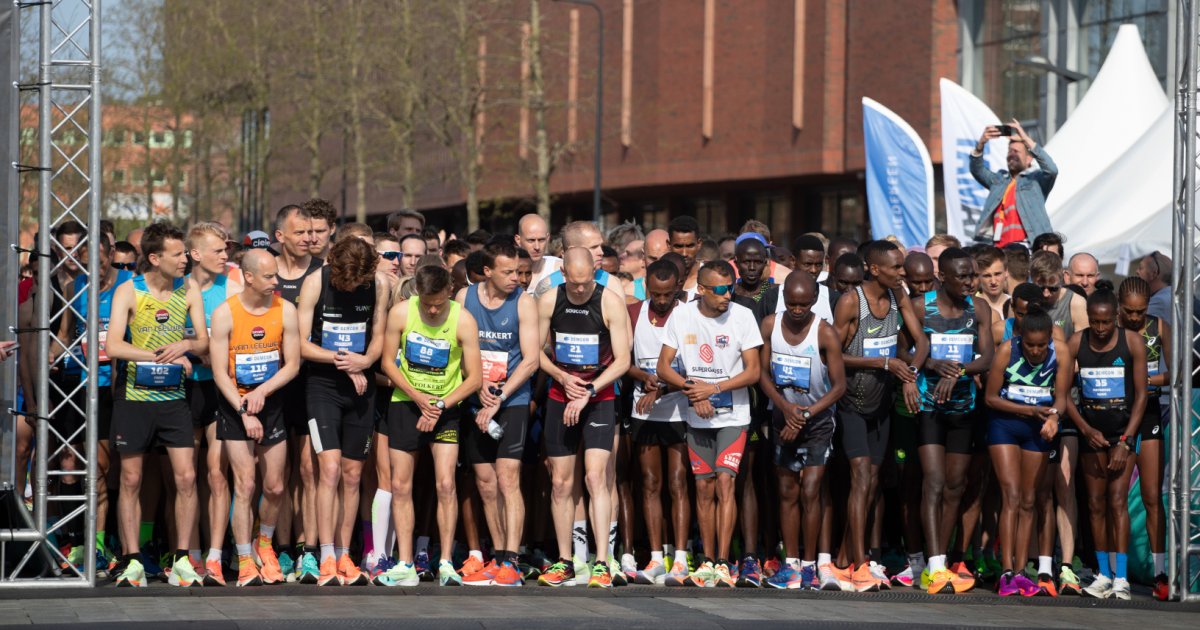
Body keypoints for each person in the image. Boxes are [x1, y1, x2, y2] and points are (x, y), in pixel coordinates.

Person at [105, 222, 210, 588]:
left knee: (187, 477)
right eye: (177, 254)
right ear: (154, 258)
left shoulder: (189, 288)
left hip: (173, 398)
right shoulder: (129, 291)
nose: (185, 260)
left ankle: (182, 558)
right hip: (134, 397)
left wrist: (186, 346)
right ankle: (133, 559)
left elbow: (203, 341)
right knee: (131, 478)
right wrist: (160, 356)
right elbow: (113, 346)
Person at [374, 265, 483, 587]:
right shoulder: (400, 313)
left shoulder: (463, 320)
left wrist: (438, 405)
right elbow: (386, 363)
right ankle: (405, 562)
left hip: (446, 407)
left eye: (438, 303)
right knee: (400, 485)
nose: (432, 310)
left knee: (446, 484)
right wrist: (417, 397)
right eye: (426, 303)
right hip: (407, 403)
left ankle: (446, 561)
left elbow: (474, 378)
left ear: (449, 291)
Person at [657, 260, 763, 588]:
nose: (727, 295)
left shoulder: (743, 316)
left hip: (734, 415)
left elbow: (753, 372)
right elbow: (663, 367)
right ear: (701, 289)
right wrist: (693, 391)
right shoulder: (682, 315)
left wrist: (713, 389)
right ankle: (706, 559)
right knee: (703, 487)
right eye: (719, 290)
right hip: (698, 415)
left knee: (725, 482)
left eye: (730, 288)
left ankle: (723, 562)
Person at [832, 240, 928, 592]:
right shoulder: (851, 301)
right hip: (852, 403)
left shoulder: (898, 295)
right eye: (896, 267)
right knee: (861, 477)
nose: (903, 273)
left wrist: (909, 375)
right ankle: (860, 565)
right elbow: (833, 356)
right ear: (874, 269)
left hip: (881, 404)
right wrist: (883, 363)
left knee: (871, 482)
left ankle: (843, 560)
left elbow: (921, 342)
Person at [296, 236, 390, 586]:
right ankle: (324, 554)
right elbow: (300, 344)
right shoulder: (314, 283)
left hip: (361, 387)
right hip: (323, 386)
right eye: (346, 282)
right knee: (330, 469)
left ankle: (344, 553)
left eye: (357, 282)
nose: (351, 287)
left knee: (353, 475)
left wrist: (364, 362)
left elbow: (378, 337)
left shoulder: (378, 284)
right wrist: (345, 363)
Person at [535, 248, 631, 589]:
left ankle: (602, 561)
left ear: (595, 272)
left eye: (585, 283)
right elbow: (534, 352)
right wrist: (562, 378)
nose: (579, 289)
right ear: (563, 274)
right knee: (561, 482)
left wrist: (590, 389)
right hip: (561, 395)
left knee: (595, 478)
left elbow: (623, 360)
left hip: (599, 397)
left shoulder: (610, 301)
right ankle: (565, 561)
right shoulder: (550, 299)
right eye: (573, 283)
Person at [208, 249, 301, 587]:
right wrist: (244, 408)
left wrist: (263, 392)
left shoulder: (285, 309)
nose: (276, 281)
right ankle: (245, 558)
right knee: (245, 484)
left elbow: (292, 364)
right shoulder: (225, 314)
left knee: (275, 486)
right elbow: (219, 373)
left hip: (270, 402)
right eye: (269, 276)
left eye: (276, 274)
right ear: (248, 277)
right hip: (235, 404)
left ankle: (265, 544)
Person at [456, 242, 540, 587]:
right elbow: (457, 348)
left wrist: (500, 396)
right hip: (476, 396)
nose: (515, 278)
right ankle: (497, 556)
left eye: (518, 271)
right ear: (487, 271)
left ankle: (512, 560)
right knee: (486, 482)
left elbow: (531, 360)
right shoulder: (464, 297)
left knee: (508, 478)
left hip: (512, 399)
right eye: (507, 272)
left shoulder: (524, 302)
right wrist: (477, 386)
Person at [912, 248, 994, 595]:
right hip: (929, 405)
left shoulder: (979, 308)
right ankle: (932, 566)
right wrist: (932, 364)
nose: (970, 282)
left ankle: (941, 562)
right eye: (962, 276)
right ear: (942, 277)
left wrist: (959, 370)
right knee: (933, 481)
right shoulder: (921, 307)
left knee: (956, 485)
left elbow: (987, 357)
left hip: (963, 407)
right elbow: (902, 350)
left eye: (972, 275)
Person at [759, 271, 846, 590]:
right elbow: (761, 374)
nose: (797, 310)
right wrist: (785, 408)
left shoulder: (825, 333)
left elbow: (839, 386)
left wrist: (806, 413)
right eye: (791, 304)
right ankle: (791, 564)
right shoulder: (770, 325)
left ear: (814, 300)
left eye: (803, 304)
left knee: (811, 490)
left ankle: (810, 566)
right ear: (783, 299)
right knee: (787, 492)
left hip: (817, 421)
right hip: (783, 418)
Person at [55, 236, 133, 574]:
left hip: (114, 384)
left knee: (104, 465)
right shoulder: (75, 287)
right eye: (87, 263)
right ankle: (80, 543)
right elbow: (64, 333)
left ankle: (102, 542)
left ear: (110, 254)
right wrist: (46, 357)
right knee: (75, 463)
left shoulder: (129, 283)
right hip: (79, 385)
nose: (94, 269)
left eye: (99, 261)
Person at [985, 306, 1071, 597]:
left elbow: (1062, 398)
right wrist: (1029, 411)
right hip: (1005, 425)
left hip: (1039, 427)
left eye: (1041, 345)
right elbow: (990, 398)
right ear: (1021, 338)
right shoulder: (1007, 351)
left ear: (1049, 339)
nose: (1035, 351)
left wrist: (1054, 417)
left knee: (1029, 498)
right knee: (1010, 495)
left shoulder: (1060, 352)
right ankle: (1006, 570)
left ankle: (1022, 571)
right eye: (1030, 345)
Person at [1068, 289, 1146, 601]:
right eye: (1095, 322)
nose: (1100, 328)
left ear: (1116, 317)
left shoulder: (1133, 342)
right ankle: (1102, 574)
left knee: (1117, 502)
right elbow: (1063, 395)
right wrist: (1085, 429)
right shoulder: (1077, 342)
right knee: (1095, 503)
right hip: (1092, 435)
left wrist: (1126, 441)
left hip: (1122, 435)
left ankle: (1122, 577)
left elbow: (1141, 395)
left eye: (1106, 322)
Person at [625, 260, 691, 586]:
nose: (662, 300)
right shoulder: (634, 313)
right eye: (656, 294)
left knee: (677, 484)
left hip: (678, 410)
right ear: (647, 288)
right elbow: (623, 361)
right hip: (644, 410)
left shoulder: (688, 315)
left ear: (678, 288)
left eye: (667, 294)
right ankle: (654, 557)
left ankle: (680, 558)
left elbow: (696, 369)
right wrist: (643, 377)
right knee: (650, 483)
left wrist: (663, 387)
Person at [184, 222, 243, 585]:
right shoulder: (177, 289)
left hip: (220, 388)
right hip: (183, 389)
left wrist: (217, 352)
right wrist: (193, 348)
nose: (225, 256)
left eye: (226, 250)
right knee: (186, 477)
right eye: (218, 250)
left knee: (217, 474)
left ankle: (216, 555)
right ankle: (188, 554)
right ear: (195, 254)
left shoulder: (232, 288)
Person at [271, 203, 323, 581]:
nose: (308, 238)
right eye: (300, 232)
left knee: (308, 469)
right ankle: (281, 548)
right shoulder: (263, 271)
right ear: (280, 236)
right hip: (271, 383)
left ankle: (308, 549)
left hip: (310, 383)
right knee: (278, 473)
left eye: (312, 232)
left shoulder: (322, 272)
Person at [1116, 276, 1171, 600]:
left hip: (1149, 412)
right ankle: (1116, 572)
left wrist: (1146, 379)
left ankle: (1159, 572)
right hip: (1117, 415)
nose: (1135, 317)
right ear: (1120, 307)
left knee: (1152, 496)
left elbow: (1177, 372)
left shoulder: (1159, 326)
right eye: (1130, 312)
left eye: (1141, 311)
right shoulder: (1110, 326)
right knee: (1116, 496)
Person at [970, 120, 1058, 246]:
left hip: (1028, 247)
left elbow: (1052, 170)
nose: (1012, 154)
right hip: (1000, 249)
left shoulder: (1036, 180)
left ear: (1029, 159)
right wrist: (981, 144)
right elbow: (977, 170)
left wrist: (1025, 138)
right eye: (1010, 151)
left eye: (1017, 151)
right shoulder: (999, 181)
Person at [516, 214, 561, 289]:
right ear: (518, 240)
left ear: (548, 238)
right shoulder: (507, 271)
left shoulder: (558, 270)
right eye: (531, 240)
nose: (537, 247)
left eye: (541, 240)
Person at [1136, 251, 1173, 326]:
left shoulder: (1159, 301)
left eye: (1141, 268)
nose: (1137, 271)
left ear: (1153, 274)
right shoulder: (1171, 293)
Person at [667, 216, 702, 295]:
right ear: (669, 245)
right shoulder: (658, 276)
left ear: (699, 244)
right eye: (678, 246)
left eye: (690, 246)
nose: (684, 253)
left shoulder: (710, 277)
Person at [974, 246, 1010, 316]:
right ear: (978, 276)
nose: (993, 282)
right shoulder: (970, 308)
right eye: (987, 276)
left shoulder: (1015, 306)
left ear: (1006, 272)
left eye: (997, 274)